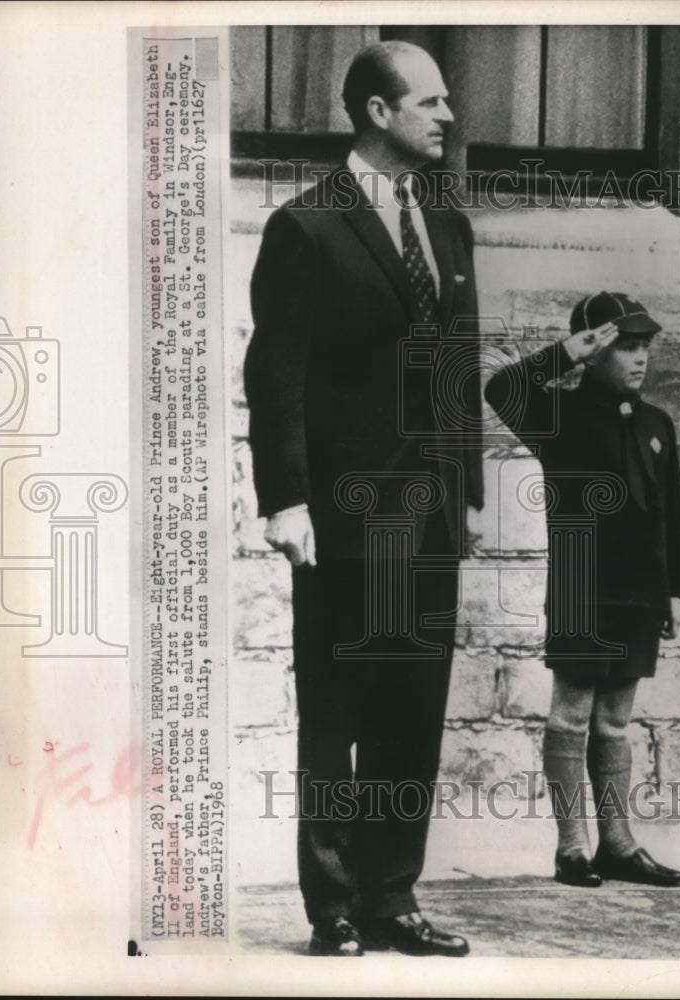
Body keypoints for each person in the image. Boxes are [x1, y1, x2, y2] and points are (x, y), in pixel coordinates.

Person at [244, 41, 483, 955]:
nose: (446, 117)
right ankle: (334, 906)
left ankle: (393, 899)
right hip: (343, 515)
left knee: (411, 710)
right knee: (337, 709)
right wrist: (287, 500)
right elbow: (278, 376)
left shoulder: (447, 225)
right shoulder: (306, 227)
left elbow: (457, 365)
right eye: (427, 102)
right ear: (377, 113)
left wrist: (462, 490)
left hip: (427, 515)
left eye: (445, 101)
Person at [485, 291, 680, 888]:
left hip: (638, 595)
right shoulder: (562, 416)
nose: (639, 358)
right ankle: (572, 847)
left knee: (615, 723)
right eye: (625, 346)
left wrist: (670, 588)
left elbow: (670, 511)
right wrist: (562, 355)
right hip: (582, 589)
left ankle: (617, 844)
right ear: (594, 351)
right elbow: (501, 392)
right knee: (572, 718)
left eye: (644, 346)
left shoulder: (657, 424)